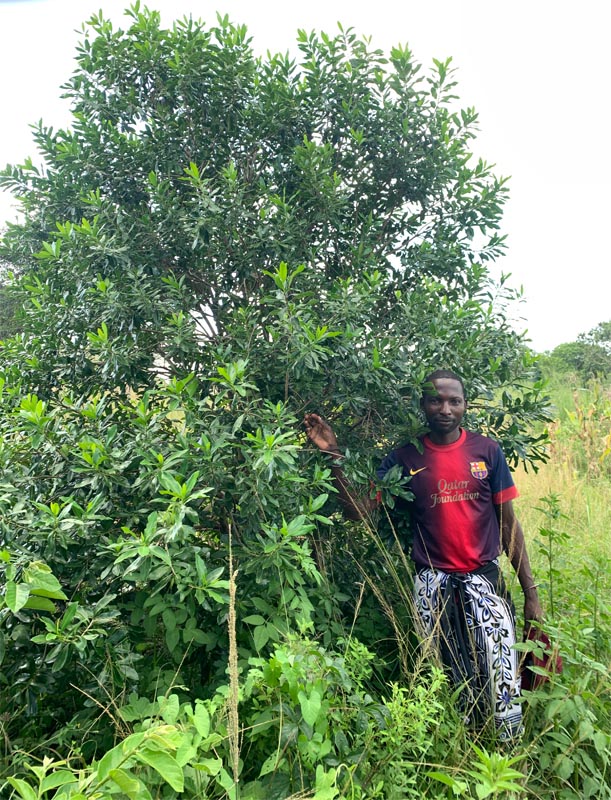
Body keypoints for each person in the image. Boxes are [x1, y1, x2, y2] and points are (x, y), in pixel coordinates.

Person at [304, 369, 543, 741]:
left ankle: (506, 747)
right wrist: (333, 454)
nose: (445, 408)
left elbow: (508, 525)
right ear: (422, 404)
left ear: (465, 406)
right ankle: (458, 746)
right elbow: (359, 510)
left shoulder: (487, 452)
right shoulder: (405, 456)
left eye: (454, 401)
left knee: (500, 671)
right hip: (433, 585)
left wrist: (531, 593)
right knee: (445, 674)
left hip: (484, 582)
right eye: (436, 399)